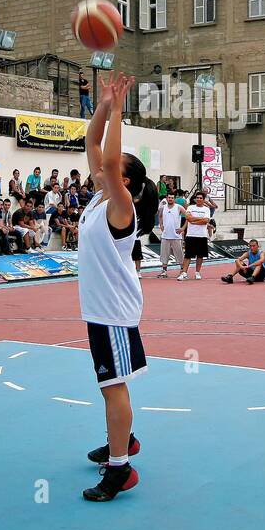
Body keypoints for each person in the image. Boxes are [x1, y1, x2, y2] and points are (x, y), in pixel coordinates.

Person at [77, 72, 158, 503]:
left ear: (124, 181)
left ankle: (121, 468)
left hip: (113, 313)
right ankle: (121, 441)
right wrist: (104, 105)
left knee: (113, 386)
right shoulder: (99, 198)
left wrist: (121, 109)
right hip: (98, 311)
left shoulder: (121, 208)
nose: (107, 162)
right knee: (108, 385)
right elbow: (92, 146)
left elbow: (108, 161)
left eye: (116, 164)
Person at [177, 190, 213, 281]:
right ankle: (184, 273)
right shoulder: (190, 207)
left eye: (201, 198)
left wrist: (194, 220)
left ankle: (197, 272)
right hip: (190, 235)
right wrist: (199, 219)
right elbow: (188, 218)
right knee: (188, 255)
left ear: (204, 200)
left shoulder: (206, 209)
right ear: (195, 199)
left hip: (202, 236)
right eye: (197, 198)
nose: (199, 199)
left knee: (200, 256)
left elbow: (206, 221)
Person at [156, 194, 185, 278]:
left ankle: (182, 270)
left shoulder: (179, 207)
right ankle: (164, 271)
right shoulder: (163, 207)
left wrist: (183, 228)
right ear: (166, 198)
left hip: (176, 235)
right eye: (169, 198)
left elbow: (188, 216)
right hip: (165, 235)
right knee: (164, 254)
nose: (170, 199)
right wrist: (161, 224)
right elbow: (160, 215)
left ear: (174, 199)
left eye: (172, 198)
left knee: (179, 254)